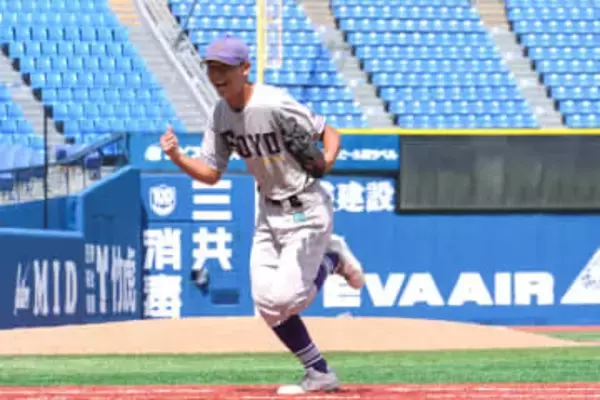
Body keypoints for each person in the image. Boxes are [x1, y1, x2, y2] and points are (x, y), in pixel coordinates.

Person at [160, 35, 365, 395]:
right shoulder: (221, 115)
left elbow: (328, 132)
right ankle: (319, 373)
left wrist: (327, 161)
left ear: (244, 68)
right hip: (267, 213)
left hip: (306, 208)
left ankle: (333, 259)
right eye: (211, 68)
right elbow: (211, 174)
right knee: (267, 305)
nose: (217, 76)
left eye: (224, 68)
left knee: (286, 300)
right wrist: (177, 157)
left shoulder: (272, 102)